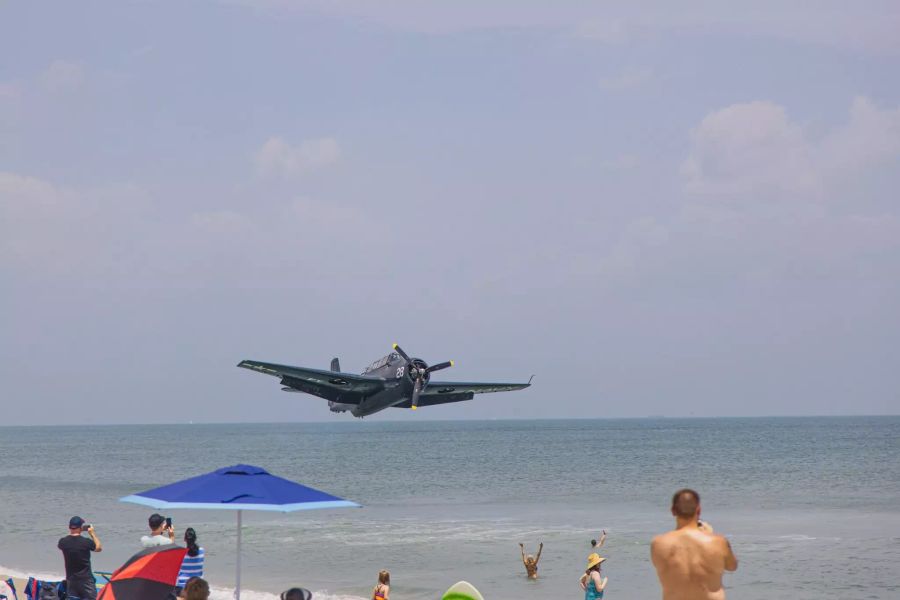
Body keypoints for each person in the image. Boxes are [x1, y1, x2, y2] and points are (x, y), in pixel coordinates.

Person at [651, 489, 738, 600]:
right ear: (699, 510)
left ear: (673, 511)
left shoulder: (658, 544)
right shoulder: (718, 542)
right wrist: (708, 535)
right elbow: (732, 566)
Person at [57, 516, 102, 600]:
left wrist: (72, 532)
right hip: (86, 580)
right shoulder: (86, 542)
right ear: (81, 527)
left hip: (71, 579)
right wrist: (92, 534)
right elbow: (99, 548)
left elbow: (66, 541)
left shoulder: (63, 542)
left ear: (70, 527)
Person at [176, 528, 205, 594]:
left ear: (185, 539)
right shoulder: (202, 551)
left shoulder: (180, 553)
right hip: (198, 586)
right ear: (195, 538)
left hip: (182, 588)